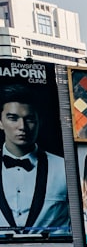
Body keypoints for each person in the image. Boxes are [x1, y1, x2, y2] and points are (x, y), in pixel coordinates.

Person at [0, 83, 69, 237]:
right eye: (13, 118)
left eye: (29, 119)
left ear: (39, 122)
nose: (22, 126)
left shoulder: (65, 169)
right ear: (0, 122)